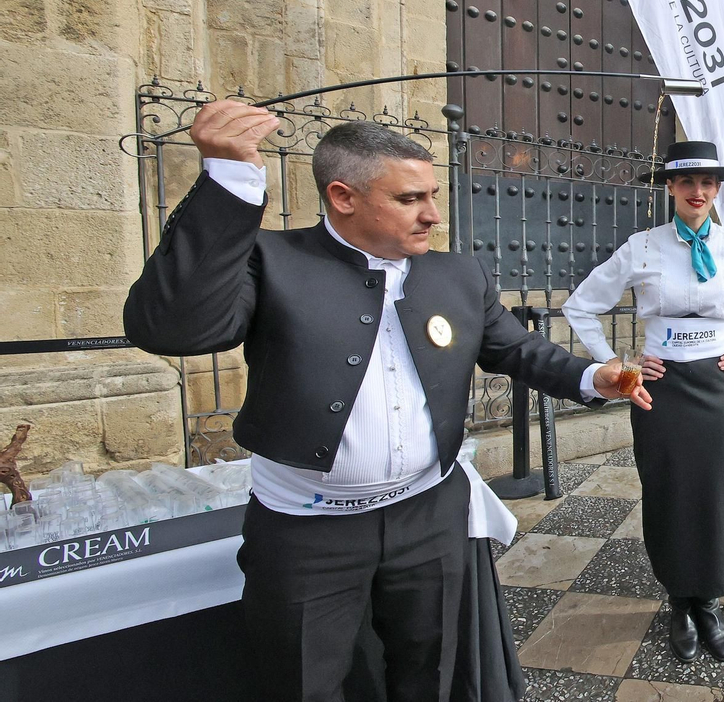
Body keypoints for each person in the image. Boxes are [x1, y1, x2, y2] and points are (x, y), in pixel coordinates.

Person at [122, 109, 650, 702]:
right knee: (302, 681)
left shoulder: (456, 273)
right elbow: (174, 328)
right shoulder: (272, 263)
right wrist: (230, 180)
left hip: (430, 516)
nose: (432, 213)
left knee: (434, 672)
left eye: (432, 194)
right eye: (409, 198)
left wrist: (591, 376)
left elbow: (515, 349)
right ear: (343, 196)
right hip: (307, 529)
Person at [562, 140, 724, 662]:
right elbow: (580, 307)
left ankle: (707, 603)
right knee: (668, 491)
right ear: (670, 187)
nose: (697, 192)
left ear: (717, 190)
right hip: (660, 391)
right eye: (687, 182)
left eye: (707, 183)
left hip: (721, 389)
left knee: (715, 493)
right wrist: (617, 367)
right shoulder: (643, 246)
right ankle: (677, 601)